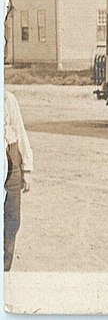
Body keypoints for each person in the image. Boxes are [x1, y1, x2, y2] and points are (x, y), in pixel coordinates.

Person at [4, 90, 33, 271]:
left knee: (12, 218)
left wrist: (27, 168)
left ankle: (5, 272)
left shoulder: (8, 98)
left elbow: (20, 131)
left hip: (12, 157)